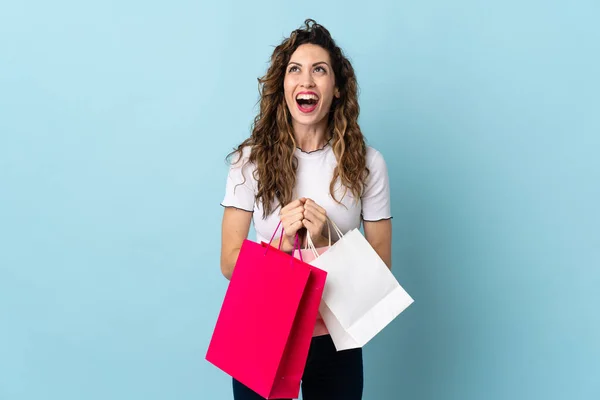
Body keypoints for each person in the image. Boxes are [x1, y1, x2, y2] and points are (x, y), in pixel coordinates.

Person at [219, 19, 392, 400]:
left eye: (320, 70)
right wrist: (277, 249)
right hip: (263, 324)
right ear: (282, 86)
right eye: (295, 69)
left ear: (337, 87)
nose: (307, 80)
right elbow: (229, 262)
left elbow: (383, 264)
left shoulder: (367, 163)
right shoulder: (248, 161)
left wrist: (328, 236)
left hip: (335, 333)